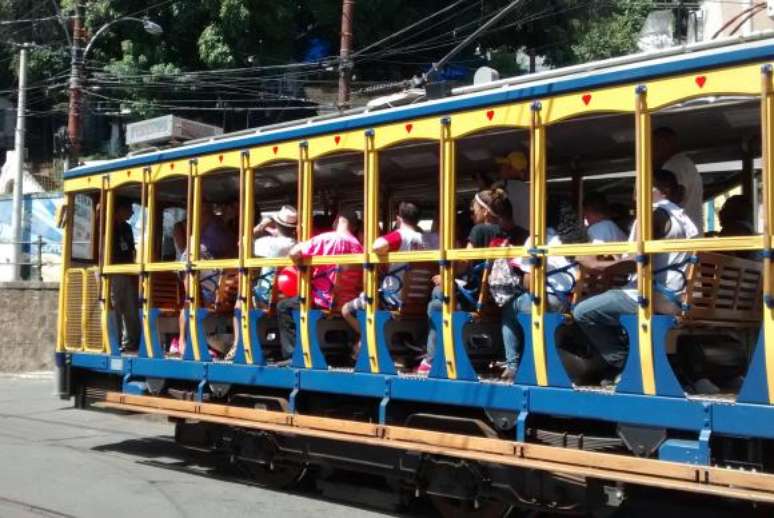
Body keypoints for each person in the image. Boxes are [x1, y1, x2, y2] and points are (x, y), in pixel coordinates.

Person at [571, 169, 699, 383]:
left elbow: (634, 262)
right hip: (676, 296)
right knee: (606, 301)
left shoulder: (653, 214)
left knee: (582, 311)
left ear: (661, 190)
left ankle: (626, 364)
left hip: (653, 296)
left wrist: (596, 265)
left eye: (638, 188)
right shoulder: (684, 218)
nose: (634, 195)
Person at [417, 188, 512, 374]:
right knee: (440, 295)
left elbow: (464, 263)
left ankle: (432, 358)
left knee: (437, 298)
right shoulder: (504, 231)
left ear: (484, 211)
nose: (471, 212)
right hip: (495, 296)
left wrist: (446, 274)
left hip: (476, 296)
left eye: (474, 208)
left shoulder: (478, 230)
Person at [500, 199, 586, 380]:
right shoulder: (573, 239)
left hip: (546, 301)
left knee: (509, 309)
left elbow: (529, 282)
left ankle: (512, 366)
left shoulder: (538, 239)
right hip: (571, 302)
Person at [276, 209, 364, 362]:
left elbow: (294, 252)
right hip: (348, 301)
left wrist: (302, 267)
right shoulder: (358, 246)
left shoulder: (325, 239)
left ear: (337, 221)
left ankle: (291, 354)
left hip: (323, 300)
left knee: (283, 306)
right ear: (354, 227)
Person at [341, 202, 425, 355]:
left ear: (398, 219)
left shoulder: (400, 235)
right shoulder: (425, 240)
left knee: (347, 309)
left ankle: (369, 340)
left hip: (393, 299)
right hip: (419, 299)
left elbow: (377, 245)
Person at [654, 127, 704, 233]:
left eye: (652, 146)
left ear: (663, 143)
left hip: (679, 236)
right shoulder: (685, 163)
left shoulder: (673, 165)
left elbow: (674, 199)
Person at [110, 199, 141, 353]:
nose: (132, 213)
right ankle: (115, 342)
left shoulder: (127, 228)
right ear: (120, 209)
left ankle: (132, 341)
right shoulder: (109, 226)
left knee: (131, 307)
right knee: (115, 307)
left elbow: (131, 250)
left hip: (127, 271)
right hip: (114, 272)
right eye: (129, 209)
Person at [252, 205, 298, 306]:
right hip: (289, 295)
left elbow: (243, 243)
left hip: (266, 294)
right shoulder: (297, 245)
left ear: (276, 224)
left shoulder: (268, 243)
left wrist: (261, 225)